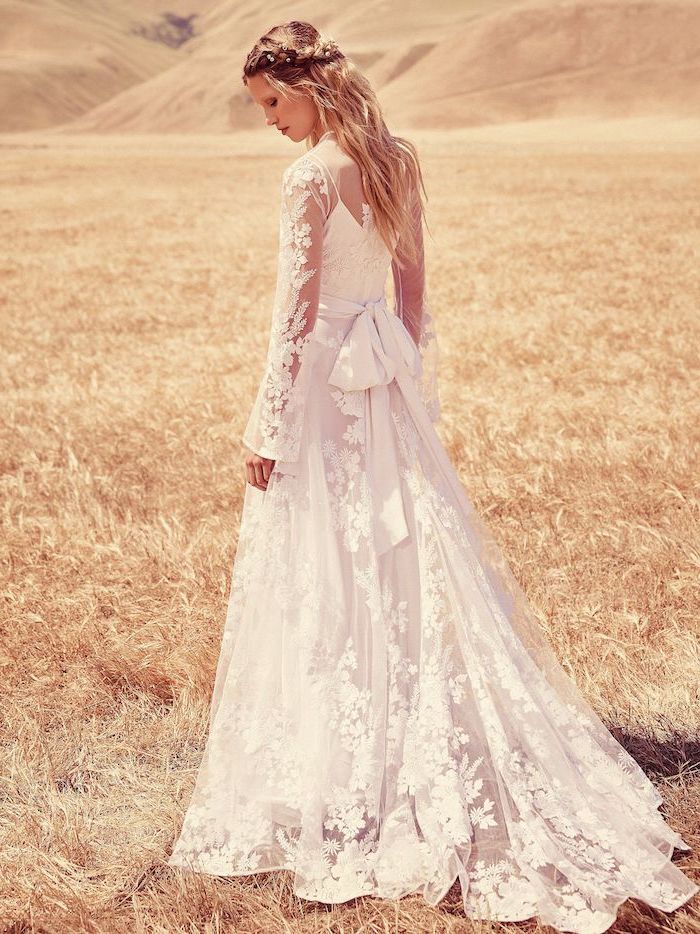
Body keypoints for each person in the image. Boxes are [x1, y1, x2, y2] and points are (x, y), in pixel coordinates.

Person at [167, 20, 698, 933]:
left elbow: (292, 316)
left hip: (328, 392)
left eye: (271, 103)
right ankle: (380, 746)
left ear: (309, 87)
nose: (269, 123)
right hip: (383, 383)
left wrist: (265, 425)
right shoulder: (397, 159)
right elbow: (413, 292)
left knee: (329, 568)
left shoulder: (306, 180)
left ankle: (354, 764)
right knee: (400, 562)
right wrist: (407, 394)